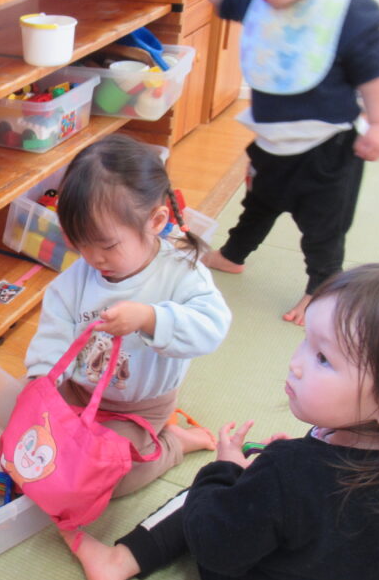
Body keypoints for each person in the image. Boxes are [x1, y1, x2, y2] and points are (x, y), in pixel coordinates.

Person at [67, 263, 379, 580]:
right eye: (305, 340)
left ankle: (120, 561)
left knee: (210, 496)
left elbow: (216, 547)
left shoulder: (286, 470)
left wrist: (228, 470)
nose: (296, 363)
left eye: (323, 358)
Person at [165, 0, 379, 325]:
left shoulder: (349, 12)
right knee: (258, 205)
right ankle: (233, 255)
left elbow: (374, 73)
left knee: (323, 229)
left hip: (326, 150)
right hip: (271, 143)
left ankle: (323, 288)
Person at [24, 134, 232, 546]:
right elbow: (54, 335)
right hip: (79, 392)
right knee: (29, 441)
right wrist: (41, 383)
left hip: (139, 408)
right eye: (79, 244)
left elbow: (211, 327)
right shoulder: (78, 279)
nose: (92, 258)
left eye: (106, 245)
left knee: (108, 479)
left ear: (155, 221)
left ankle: (172, 445)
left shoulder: (181, 270)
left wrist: (150, 317)